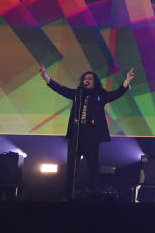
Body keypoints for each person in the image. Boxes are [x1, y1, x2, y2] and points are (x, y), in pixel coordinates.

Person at [39, 64, 134, 198]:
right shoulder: (77, 94)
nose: (87, 80)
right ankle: (68, 196)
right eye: (85, 78)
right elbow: (60, 89)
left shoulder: (100, 95)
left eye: (90, 78)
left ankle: (96, 196)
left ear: (95, 82)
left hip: (91, 136)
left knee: (93, 167)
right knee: (71, 168)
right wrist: (45, 76)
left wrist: (127, 81)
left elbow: (116, 94)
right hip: (76, 134)